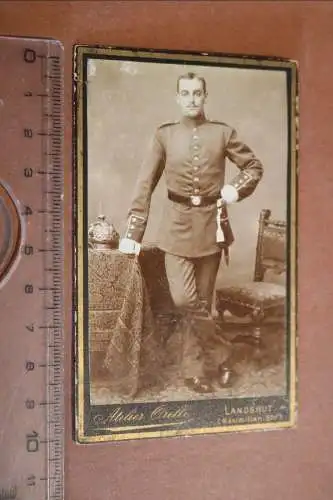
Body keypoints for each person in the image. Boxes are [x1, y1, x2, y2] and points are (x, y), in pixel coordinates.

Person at [119, 72, 263, 393]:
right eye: (185, 93)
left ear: (205, 96)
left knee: (202, 303)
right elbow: (145, 184)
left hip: (211, 229)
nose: (191, 99)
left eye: (197, 93)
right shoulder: (164, 136)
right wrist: (134, 230)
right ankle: (224, 354)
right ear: (177, 97)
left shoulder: (222, 133)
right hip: (175, 229)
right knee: (186, 301)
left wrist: (234, 190)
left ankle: (194, 371)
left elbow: (253, 166)